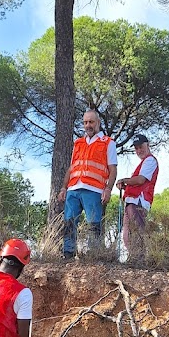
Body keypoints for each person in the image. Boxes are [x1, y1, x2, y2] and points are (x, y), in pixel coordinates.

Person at [57, 109, 118, 259]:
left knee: (93, 224)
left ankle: (93, 256)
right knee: (69, 222)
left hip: (94, 189)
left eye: (91, 122)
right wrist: (64, 187)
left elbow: (113, 169)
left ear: (98, 122)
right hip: (73, 188)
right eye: (85, 122)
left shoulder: (108, 143)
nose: (88, 125)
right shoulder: (77, 143)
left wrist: (108, 189)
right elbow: (72, 167)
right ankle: (68, 254)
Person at [116, 133, 159, 260]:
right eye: (136, 148)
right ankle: (134, 258)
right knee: (127, 234)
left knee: (136, 231)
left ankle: (138, 259)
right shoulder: (143, 163)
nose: (139, 150)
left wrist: (125, 180)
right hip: (132, 200)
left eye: (141, 146)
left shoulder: (150, 160)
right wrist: (127, 186)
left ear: (148, 145)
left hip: (138, 201)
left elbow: (140, 180)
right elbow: (137, 182)